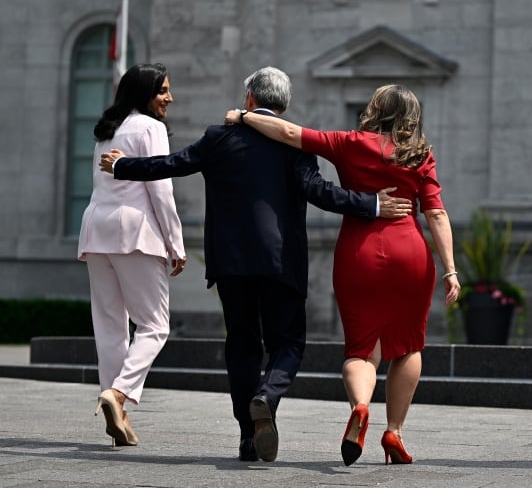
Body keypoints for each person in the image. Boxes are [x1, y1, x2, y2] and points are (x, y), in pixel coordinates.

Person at [99, 67, 412, 463]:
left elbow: (172, 165)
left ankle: (249, 437)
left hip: (230, 262)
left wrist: (122, 165)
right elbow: (321, 192)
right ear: (283, 104)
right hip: (282, 260)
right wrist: (373, 204)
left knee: (243, 345)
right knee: (289, 343)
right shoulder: (295, 144)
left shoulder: (219, 137)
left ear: (250, 100)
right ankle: (268, 395)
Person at [225, 83, 460, 466]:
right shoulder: (420, 154)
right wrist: (450, 270)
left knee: (360, 349)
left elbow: (289, 133)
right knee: (409, 347)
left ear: (373, 109)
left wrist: (245, 116)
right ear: (412, 117)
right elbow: (435, 213)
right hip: (410, 253)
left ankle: (361, 407)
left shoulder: (349, 142)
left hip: (359, 252)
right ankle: (394, 432)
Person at [78, 63, 187, 447]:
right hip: (135, 232)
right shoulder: (150, 128)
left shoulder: (105, 131)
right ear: (144, 92)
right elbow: (161, 191)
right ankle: (119, 394)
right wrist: (176, 243)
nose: (169, 98)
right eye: (163, 91)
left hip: (96, 229)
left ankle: (118, 414)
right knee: (155, 325)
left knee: (110, 326)